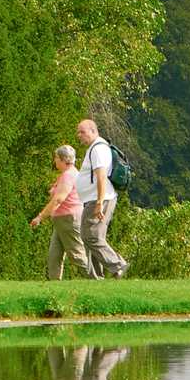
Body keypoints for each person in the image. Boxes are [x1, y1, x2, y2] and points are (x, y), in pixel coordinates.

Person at [29, 144, 97, 280]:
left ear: (62, 159)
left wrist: (40, 217)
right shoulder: (71, 174)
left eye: (56, 158)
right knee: (54, 256)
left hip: (68, 219)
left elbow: (58, 199)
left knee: (76, 256)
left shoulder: (68, 176)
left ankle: (97, 281)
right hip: (61, 220)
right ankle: (54, 287)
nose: (54, 161)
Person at [73, 118, 129, 279]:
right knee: (90, 236)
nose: (79, 135)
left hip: (100, 199)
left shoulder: (98, 149)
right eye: (78, 132)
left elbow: (101, 176)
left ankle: (117, 265)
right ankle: (96, 277)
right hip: (96, 199)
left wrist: (98, 202)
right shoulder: (95, 148)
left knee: (90, 236)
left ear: (93, 131)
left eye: (82, 132)